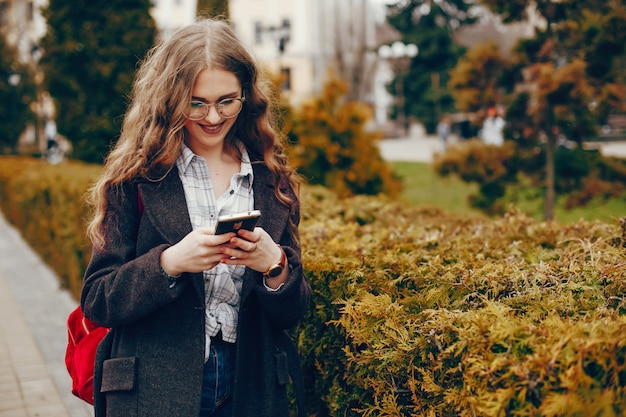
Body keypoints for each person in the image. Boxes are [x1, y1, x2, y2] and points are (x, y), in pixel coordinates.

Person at [81, 18, 311, 417]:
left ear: (247, 96)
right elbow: (98, 300)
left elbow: (292, 314)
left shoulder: (271, 181)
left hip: (250, 387)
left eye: (227, 101)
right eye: (196, 102)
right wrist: (168, 263)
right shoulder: (136, 178)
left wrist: (274, 268)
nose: (213, 117)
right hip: (152, 390)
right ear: (170, 98)